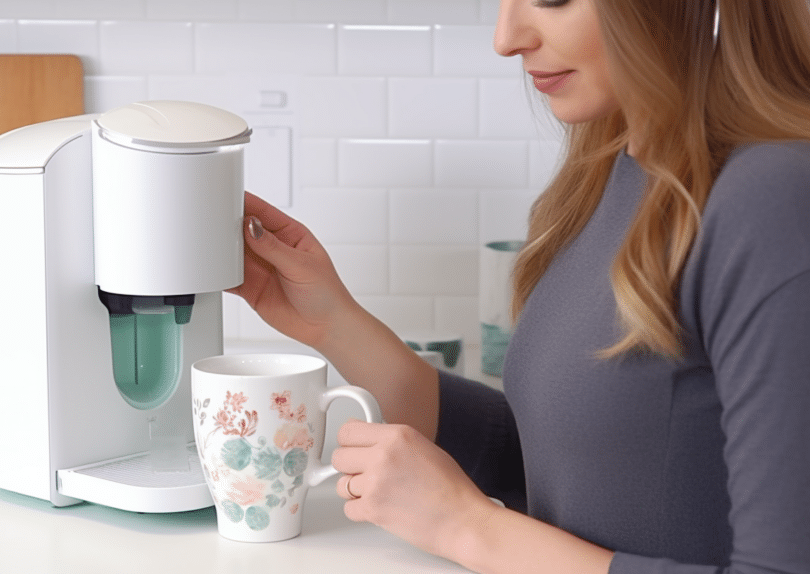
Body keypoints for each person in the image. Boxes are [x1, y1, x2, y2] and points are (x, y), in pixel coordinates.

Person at [229, 0, 810, 572]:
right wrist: (331, 321)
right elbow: (561, 455)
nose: (506, 38)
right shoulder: (613, 167)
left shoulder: (773, 199)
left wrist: (466, 527)